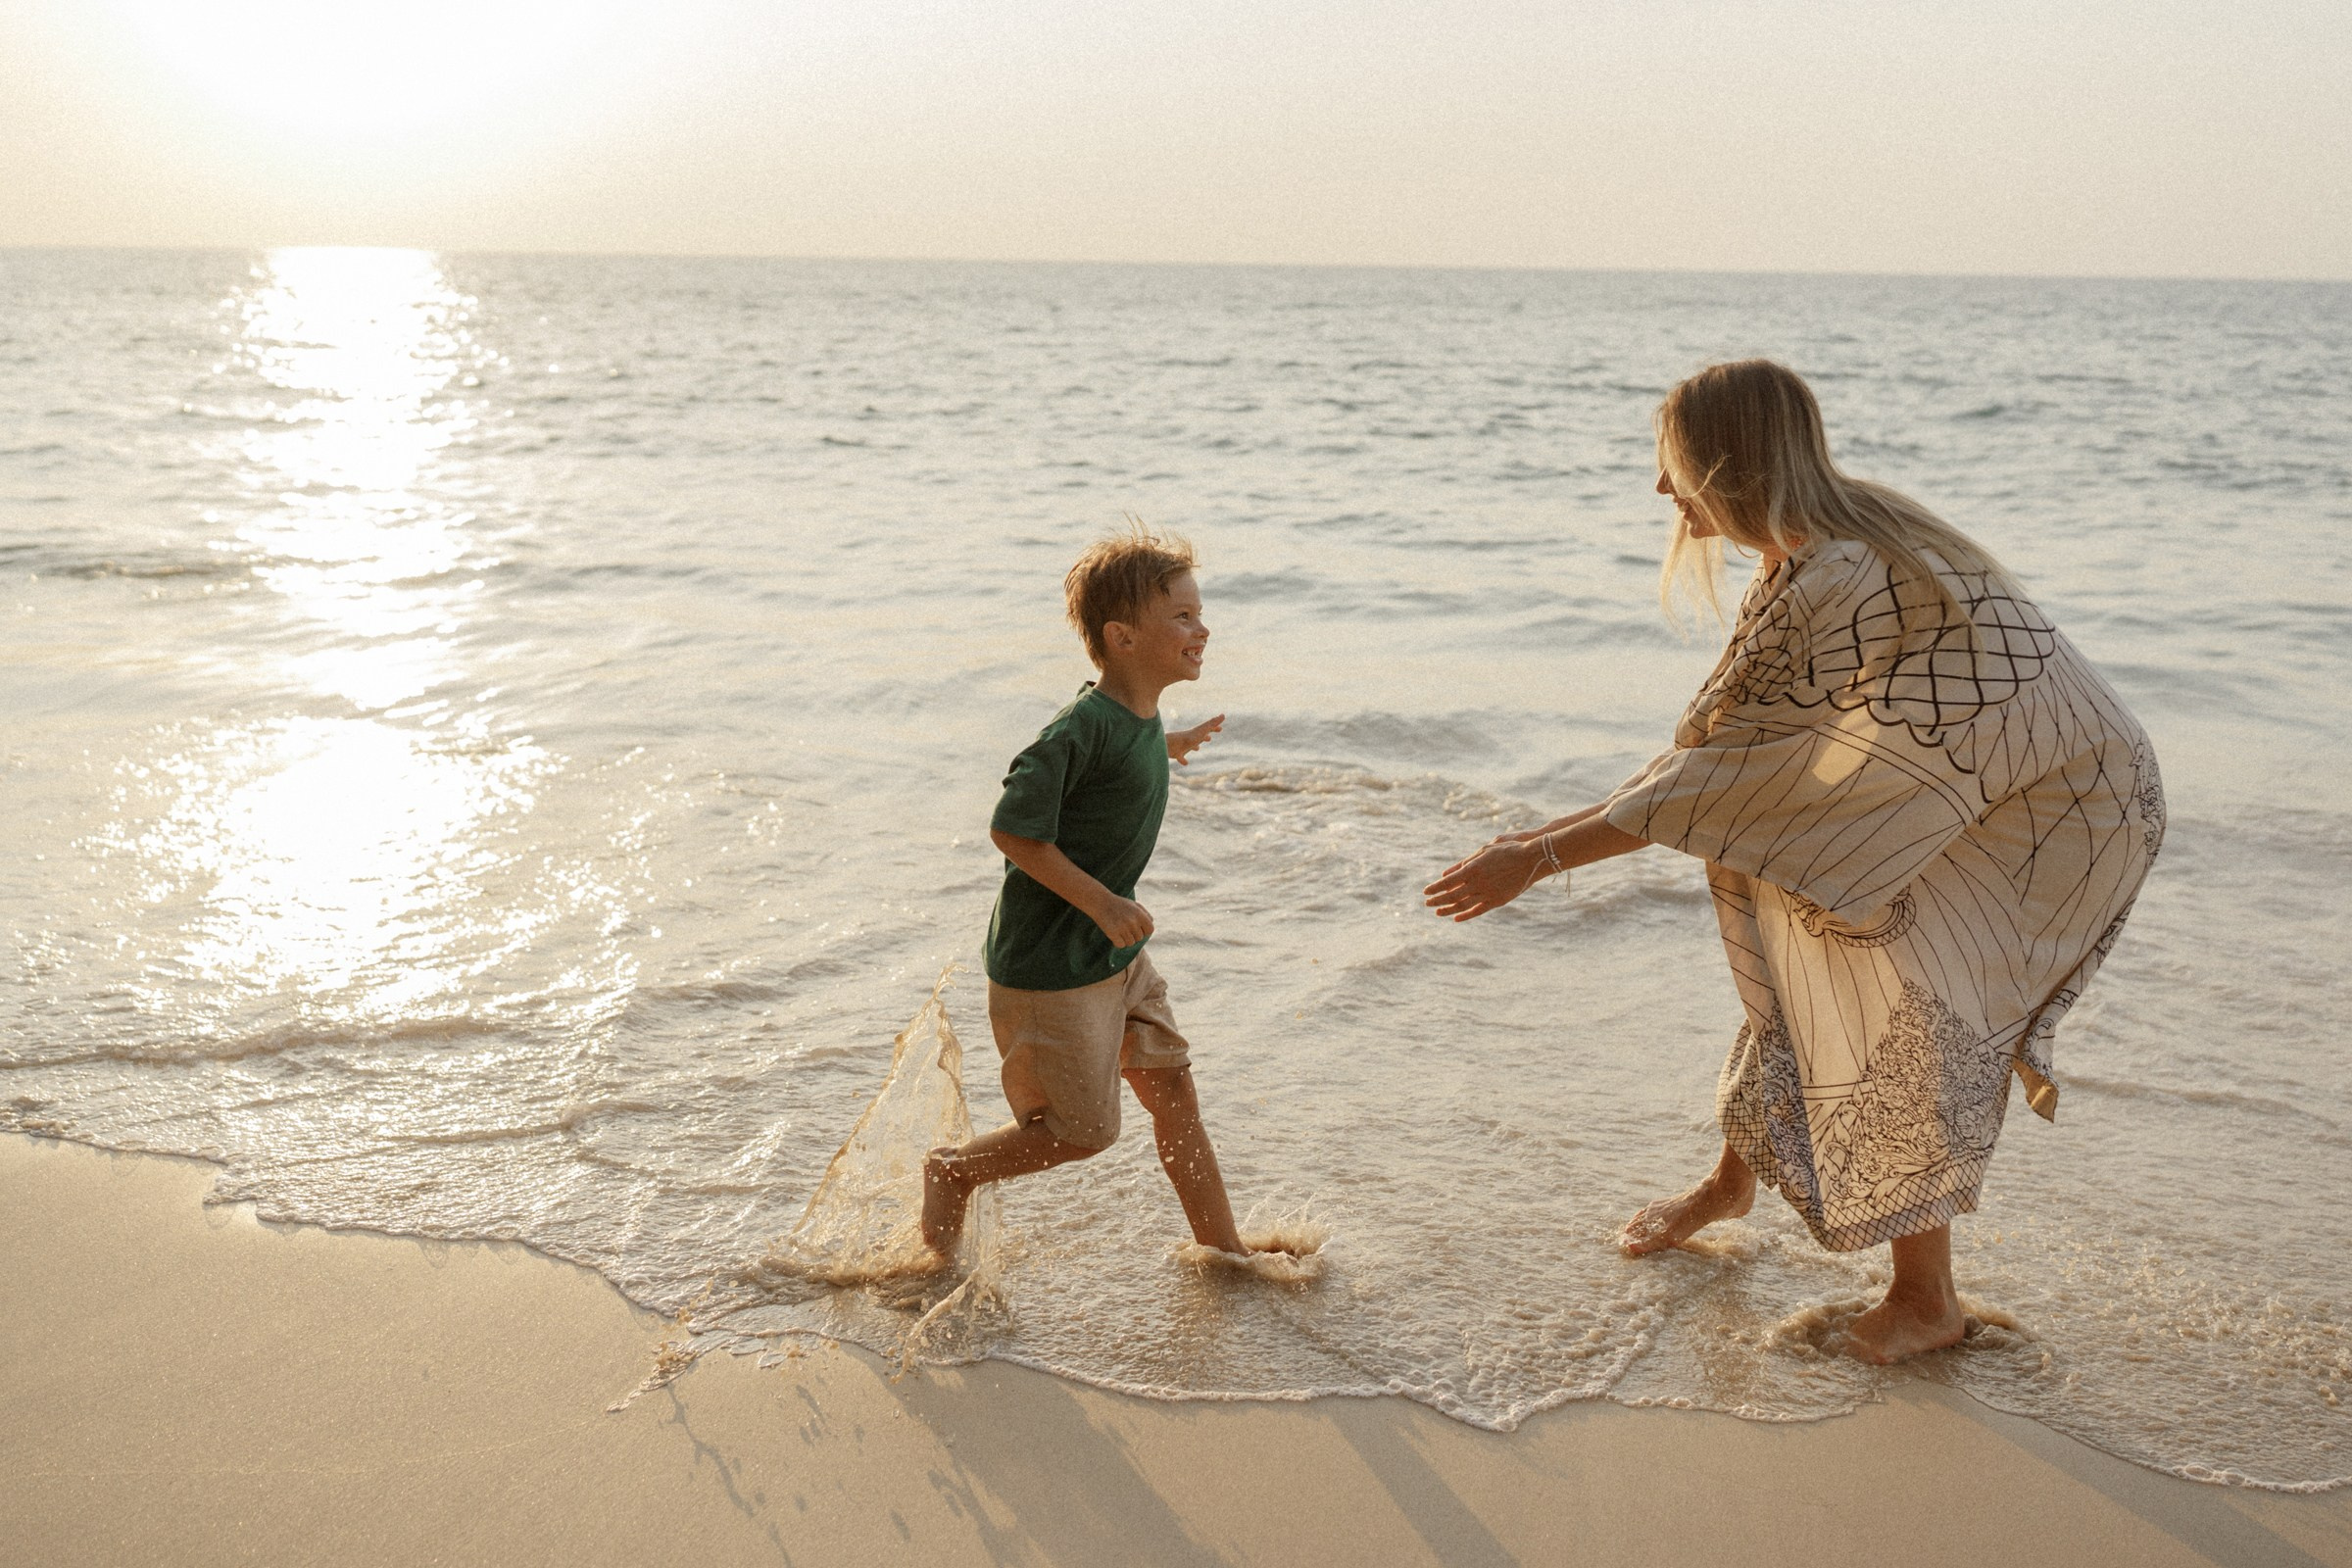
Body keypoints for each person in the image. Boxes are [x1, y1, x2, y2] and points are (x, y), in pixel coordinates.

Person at [1423, 360, 2165, 1363]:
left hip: (2052, 808)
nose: (1660, 488)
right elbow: (1713, 765)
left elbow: (1715, 782)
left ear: (1727, 462)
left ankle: (1927, 1300)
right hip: (2002, 783)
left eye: (1674, 464)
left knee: (1895, 1004)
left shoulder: (1839, 573)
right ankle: (1731, 1185)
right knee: (1801, 927)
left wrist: (1540, 856)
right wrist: (1533, 846)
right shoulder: (1814, 550)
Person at [921, 524, 1270, 1264]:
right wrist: (1104, 904)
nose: (1202, 629)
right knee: (1080, 1133)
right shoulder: (1078, 729)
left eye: (1200, 613)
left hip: (1115, 954)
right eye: (1182, 616)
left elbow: (1121, 760)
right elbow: (1014, 829)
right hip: (1054, 964)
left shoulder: (1136, 718)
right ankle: (953, 1172)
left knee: (1173, 1092)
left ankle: (1227, 1254)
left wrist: (1167, 748)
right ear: (1122, 637)